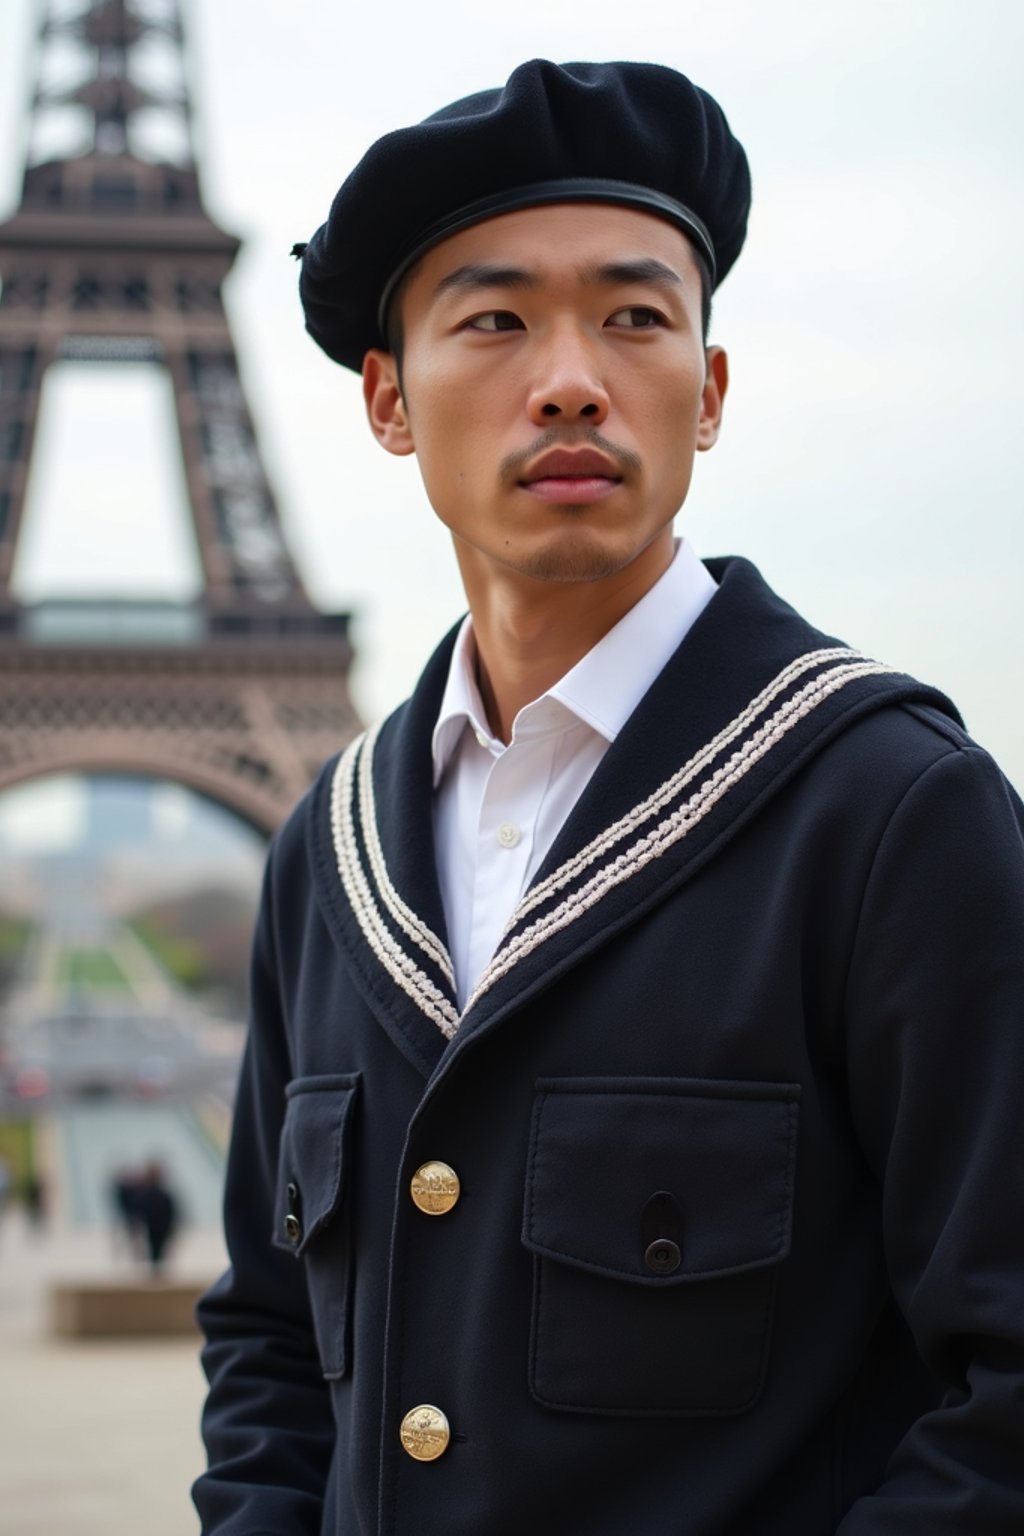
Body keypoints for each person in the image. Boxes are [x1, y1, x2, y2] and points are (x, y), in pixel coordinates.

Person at [194, 60, 1024, 1535]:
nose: (571, 375)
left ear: (706, 393)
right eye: (496, 318)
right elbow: (268, 1340)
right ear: (388, 397)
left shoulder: (893, 814)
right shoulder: (324, 857)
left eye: (635, 318)